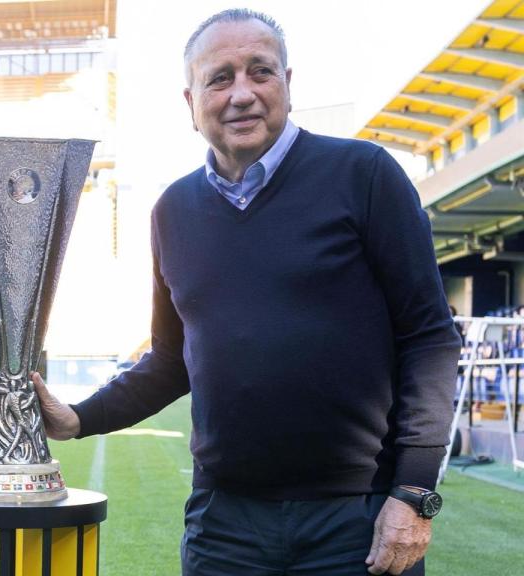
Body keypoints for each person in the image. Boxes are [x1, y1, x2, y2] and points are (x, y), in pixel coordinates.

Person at [34, 9, 459, 576]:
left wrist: (413, 492)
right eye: (220, 77)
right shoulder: (173, 212)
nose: (242, 94)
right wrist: (78, 418)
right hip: (223, 525)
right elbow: (170, 361)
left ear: (287, 84)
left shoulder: (366, 175)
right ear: (191, 103)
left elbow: (429, 337)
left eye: (261, 72)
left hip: (354, 519)